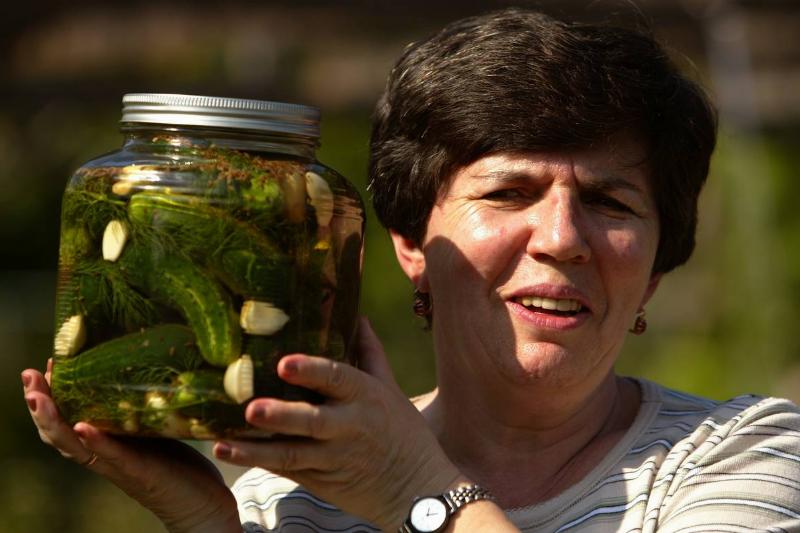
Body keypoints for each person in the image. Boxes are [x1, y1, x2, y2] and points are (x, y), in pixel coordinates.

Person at [22, 7, 800, 533]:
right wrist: (203, 521)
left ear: (656, 267)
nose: (563, 238)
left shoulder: (745, 453)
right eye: (509, 192)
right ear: (410, 244)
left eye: (610, 201)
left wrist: (414, 490)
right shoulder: (282, 494)